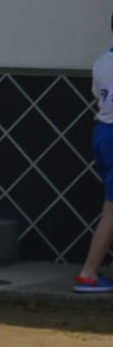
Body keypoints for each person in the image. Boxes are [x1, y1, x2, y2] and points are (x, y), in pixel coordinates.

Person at [78, 15, 113, 293]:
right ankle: (88, 273)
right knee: (112, 210)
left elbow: (97, 97)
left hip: (102, 132)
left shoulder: (102, 62)